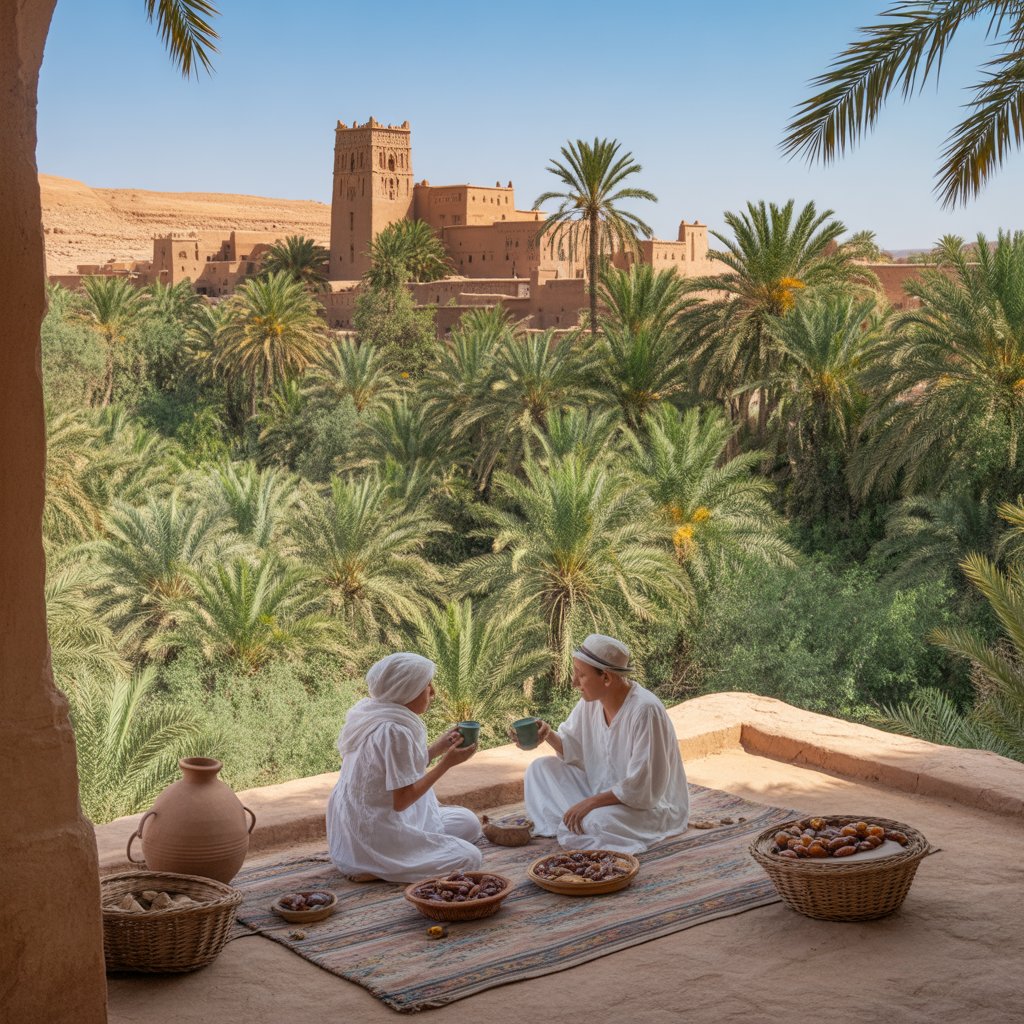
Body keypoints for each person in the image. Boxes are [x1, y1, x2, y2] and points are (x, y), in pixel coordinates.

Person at [521, 634, 689, 854]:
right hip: (601, 794)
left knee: (594, 822)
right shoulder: (590, 703)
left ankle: (579, 828)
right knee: (539, 770)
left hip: (649, 808)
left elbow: (642, 787)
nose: (574, 683)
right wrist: (547, 734)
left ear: (607, 678)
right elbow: (573, 748)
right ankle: (571, 826)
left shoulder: (645, 711)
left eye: (581, 675)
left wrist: (590, 803)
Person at [326, 652, 483, 883]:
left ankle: (381, 861)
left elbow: (399, 771)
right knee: (470, 858)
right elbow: (402, 800)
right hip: (376, 832)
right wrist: (446, 764)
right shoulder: (394, 730)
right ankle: (379, 867)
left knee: (468, 822)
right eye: (426, 685)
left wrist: (438, 747)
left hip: (357, 829)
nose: (433, 692)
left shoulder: (372, 713)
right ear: (406, 690)